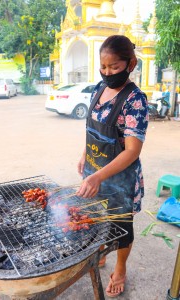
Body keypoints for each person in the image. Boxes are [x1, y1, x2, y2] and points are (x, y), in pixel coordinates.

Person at [76, 35, 149, 298]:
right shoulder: (98, 88)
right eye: (103, 67)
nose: (107, 73)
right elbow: (91, 127)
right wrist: (85, 153)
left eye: (114, 67)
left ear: (131, 63)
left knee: (121, 227)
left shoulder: (135, 101)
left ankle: (119, 269)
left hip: (119, 177)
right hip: (94, 168)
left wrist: (98, 177)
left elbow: (132, 151)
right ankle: (99, 252)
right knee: (93, 217)